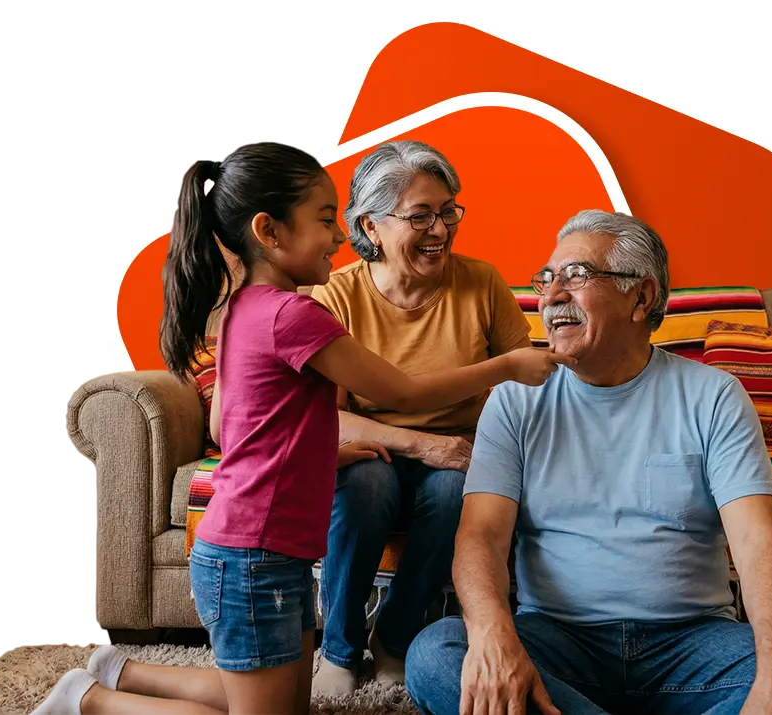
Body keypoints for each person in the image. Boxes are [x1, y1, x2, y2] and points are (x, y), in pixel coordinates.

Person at [31, 141, 573, 715]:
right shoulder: (297, 314)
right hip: (251, 553)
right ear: (269, 231)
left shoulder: (248, 306)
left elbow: (237, 425)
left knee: (280, 700)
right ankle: (90, 701)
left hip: (267, 549)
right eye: (323, 220)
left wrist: (321, 452)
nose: (339, 238)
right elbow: (402, 392)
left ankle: (121, 669)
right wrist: (509, 365)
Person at [405, 210, 772, 715]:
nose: (551, 296)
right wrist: (491, 635)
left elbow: (758, 538)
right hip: (557, 643)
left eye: (576, 275)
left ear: (642, 298)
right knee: (439, 655)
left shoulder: (713, 395)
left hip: (693, 646)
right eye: (547, 279)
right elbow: (480, 535)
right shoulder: (515, 400)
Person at [310, 140, 535, 694]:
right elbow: (325, 422)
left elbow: (527, 384)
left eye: (448, 211)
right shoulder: (335, 297)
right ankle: (338, 650)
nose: (440, 229)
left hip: (462, 452)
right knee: (364, 483)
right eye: (420, 216)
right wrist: (419, 443)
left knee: (455, 489)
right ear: (372, 225)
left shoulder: (481, 283)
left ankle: (395, 638)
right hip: (375, 448)